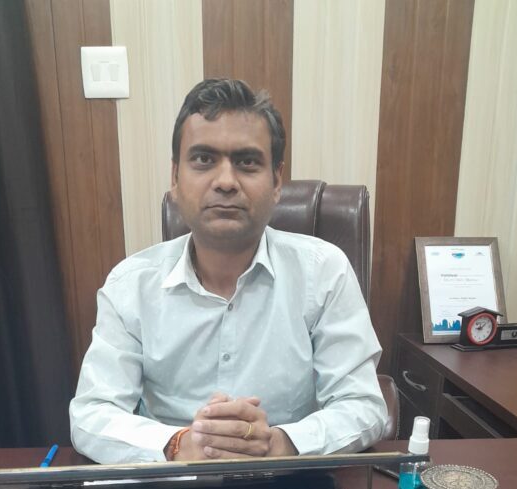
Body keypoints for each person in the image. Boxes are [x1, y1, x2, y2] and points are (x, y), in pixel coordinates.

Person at [69, 78, 387, 464]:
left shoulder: (324, 272)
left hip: (290, 475)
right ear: (175, 178)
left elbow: (363, 405)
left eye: (247, 162)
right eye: (204, 159)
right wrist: (180, 444)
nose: (225, 182)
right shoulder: (131, 285)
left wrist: (280, 443)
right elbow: (92, 413)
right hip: (173, 478)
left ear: (276, 181)